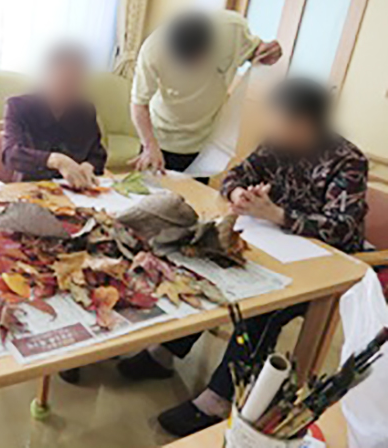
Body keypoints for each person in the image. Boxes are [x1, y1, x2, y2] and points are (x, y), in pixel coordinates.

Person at [118, 78, 369, 437]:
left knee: (264, 306)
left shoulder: (347, 161)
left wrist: (278, 214)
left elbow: (342, 228)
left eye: (278, 118)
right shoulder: (276, 145)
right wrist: (239, 194)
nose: (271, 125)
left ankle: (220, 398)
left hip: (325, 263)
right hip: (272, 245)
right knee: (208, 265)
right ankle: (164, 355)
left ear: (304, 123)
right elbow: (236, 174)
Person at [130, 9, 282, 176]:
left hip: (204, 143)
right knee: (150, 190)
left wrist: (269, 53)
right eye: (185, 62)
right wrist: (150, 146)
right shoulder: (152, 50)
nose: (192, 68)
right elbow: (139, 104)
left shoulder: (233, 30)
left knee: (193, 192)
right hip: (160, 139)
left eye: (196, 60)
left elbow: (257, 53)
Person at [2, 43, 107, 188]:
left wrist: (89, 166)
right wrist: (56, 160)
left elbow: (97, 154)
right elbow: (11, 155)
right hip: (33, 189)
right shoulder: (19, 106)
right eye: (64, 80)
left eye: (75, 81)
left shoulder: (85, 110)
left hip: (75, 189)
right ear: (46, 75)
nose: (69, 88)